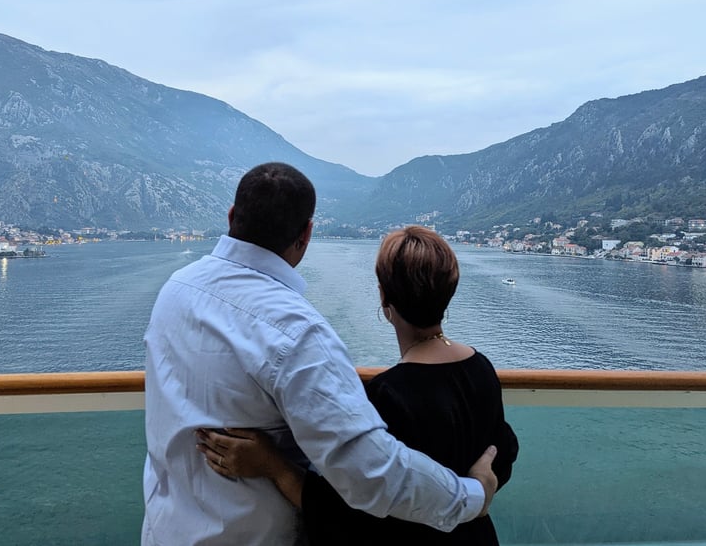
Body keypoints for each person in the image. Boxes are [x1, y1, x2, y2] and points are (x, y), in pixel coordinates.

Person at [142, 163, 498, 546]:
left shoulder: (174, 291)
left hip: (166, 531)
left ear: (232, 216)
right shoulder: (295, 332)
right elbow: (372, 472)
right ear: (306, 235)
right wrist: (471, 496)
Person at [198, 224, 518, 545]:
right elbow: (501, 454)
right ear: (450, 288)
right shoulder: (482, 368)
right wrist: (477, 490)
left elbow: (348, 513)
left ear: (383, 297)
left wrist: (273, 466)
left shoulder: (386, 394)